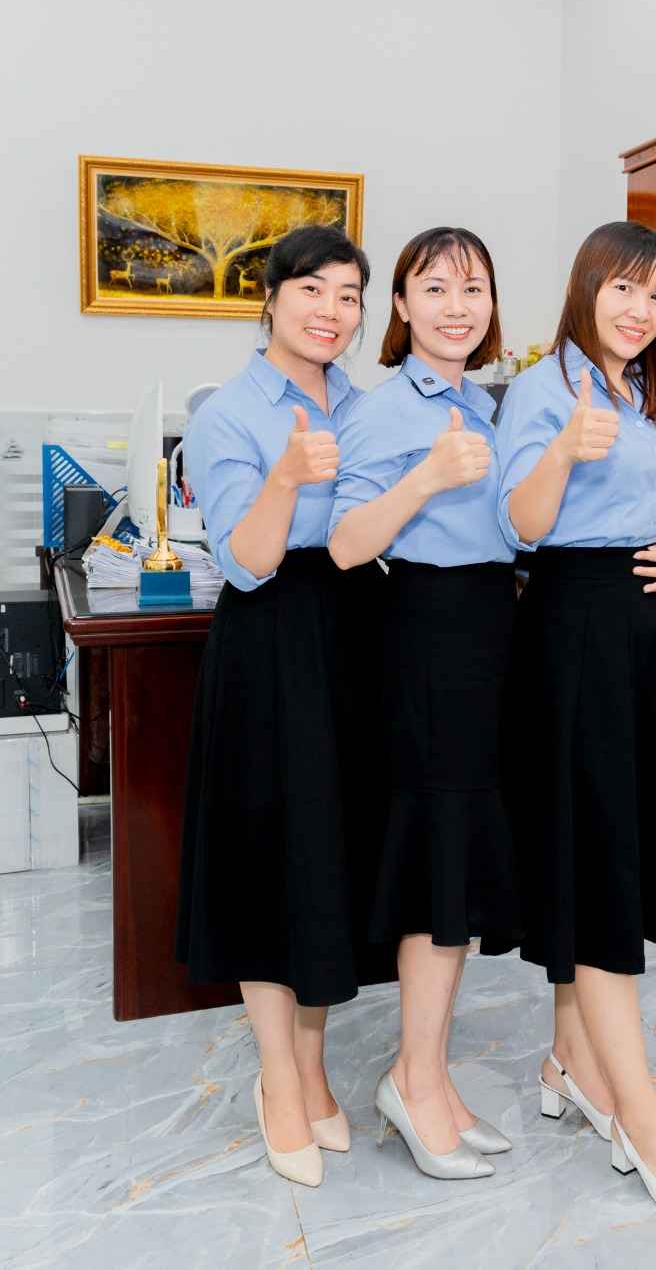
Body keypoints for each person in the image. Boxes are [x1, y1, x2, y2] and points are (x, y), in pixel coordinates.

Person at [492, 220, 656, 1222]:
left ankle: (568, 1061)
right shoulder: (545, 389)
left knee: (612, 847)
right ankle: (643, 1121)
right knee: (597, 864)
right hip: (577, 632)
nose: (640, 310)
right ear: (587, 286)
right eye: (624, 288)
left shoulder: (647, 394)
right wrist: (561, 448)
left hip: (645, 638)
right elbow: (521, 524)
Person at [175, 224, 377, 1189]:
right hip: (268, 636)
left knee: (325, 857)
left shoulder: (364, 406)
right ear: (270, 297)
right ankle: (276, 1077)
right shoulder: (228, 414)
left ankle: (314, 1064)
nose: (330, 311)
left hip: (350, 635)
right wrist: (288, 477)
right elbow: (246, 560)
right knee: (266, 860)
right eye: (313, 290)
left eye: (348, 295)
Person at [328, 227, 518, 1180]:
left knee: (464, 866)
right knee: (439, 865)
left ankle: (428, 1076)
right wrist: (428, 477)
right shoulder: (382, 410)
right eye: (434, 287)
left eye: (473, 287)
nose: (456, 305)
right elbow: (347, 543)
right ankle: (413, 1081)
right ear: (400, 306)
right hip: (429, 634)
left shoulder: (486, 402)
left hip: (489, 630)